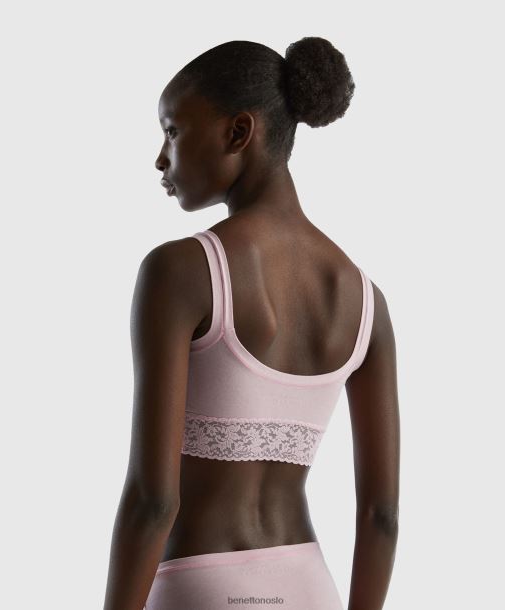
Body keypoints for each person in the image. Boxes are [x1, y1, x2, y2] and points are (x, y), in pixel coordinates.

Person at [103, 37, 400, 610]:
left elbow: (153, 501)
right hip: (310, 585)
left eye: (172, 131)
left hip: (198, 585)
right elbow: (381, 515)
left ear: (239, 132)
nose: (161, 159)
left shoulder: (181, 270)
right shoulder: (367, 300)